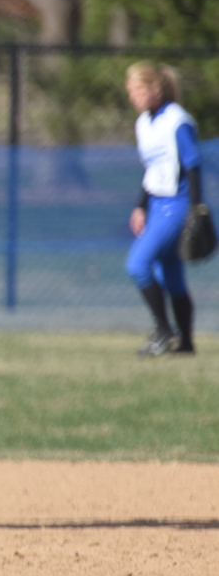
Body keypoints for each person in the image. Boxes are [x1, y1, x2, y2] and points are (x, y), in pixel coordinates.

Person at [125, 61, 201, 356]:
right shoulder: (144, 122)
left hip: (177, 203)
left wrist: (197, 208)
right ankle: (186, 344)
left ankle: (164, 331)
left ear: (156, 89)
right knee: (171, 276)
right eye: (131, 91)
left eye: (138, 89)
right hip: (156, 204)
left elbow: (192, 165)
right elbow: (153, 170)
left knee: (138, 264)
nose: (134, 96)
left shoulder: (177, 121)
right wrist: (139, 207)